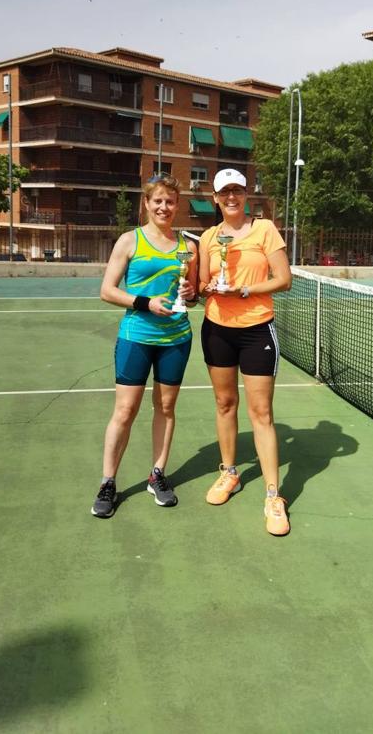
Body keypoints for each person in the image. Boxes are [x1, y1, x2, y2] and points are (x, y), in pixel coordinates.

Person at [91, 174, 197, 518]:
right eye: (158, 201)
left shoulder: (188, 247)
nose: (164, 207)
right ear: (146, 204)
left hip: (176, 339)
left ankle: (157, 474)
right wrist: (144, 302)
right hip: (136, 336)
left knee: (166, 408)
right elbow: (108, 290)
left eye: (170, 201)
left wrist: (191, 295)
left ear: (177, 205)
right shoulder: (129, 241)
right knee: (125, 411)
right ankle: (108, 482)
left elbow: (191, 296)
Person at [198, 168, 292, 536]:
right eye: (225, 192)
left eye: (237, 190)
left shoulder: (265, 229)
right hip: (217, 329)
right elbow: (205, 283)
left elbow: (283, 280)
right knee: (224, 404)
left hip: (256, 329)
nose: (232, 197)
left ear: (246, 194)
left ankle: (273, 496)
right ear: (216, 198)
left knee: (261, 413)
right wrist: (205, 286)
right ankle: (230, 474)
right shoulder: (208, 237)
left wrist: (246, 291)